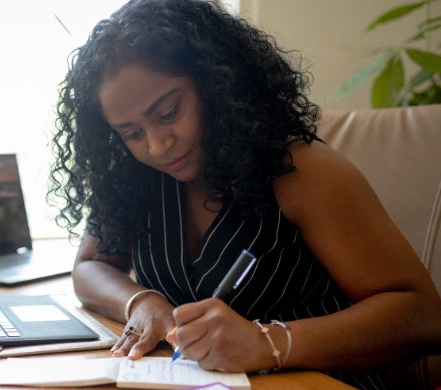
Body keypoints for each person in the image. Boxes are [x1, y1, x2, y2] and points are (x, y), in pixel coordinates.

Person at [47, 0, 441, 389]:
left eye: (168, 113)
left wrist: (266, 342)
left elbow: (421, 315)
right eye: (132, 133)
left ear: (215, 82)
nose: (156, 145)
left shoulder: (299, 169)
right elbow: (89, 268)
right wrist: (142, 302)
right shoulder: (131, 175)